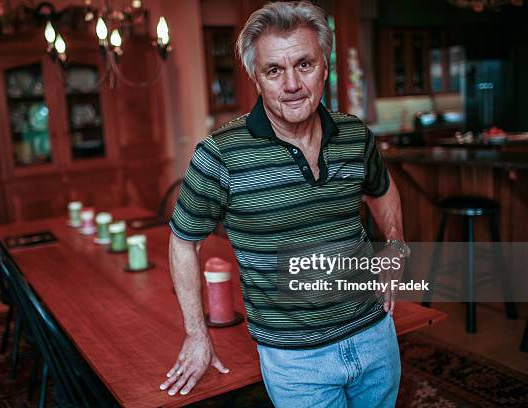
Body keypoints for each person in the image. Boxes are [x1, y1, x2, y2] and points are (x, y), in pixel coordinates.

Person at [160, 1, 408, 406]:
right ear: (256, 78)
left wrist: (395, 243)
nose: (291, 84)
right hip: (296, 361)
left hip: (375, 335)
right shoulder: (220, 154)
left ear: (324, 67)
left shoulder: (354, 135)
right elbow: (184, 241)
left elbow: (381, 189)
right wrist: (196, 333)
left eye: (304, 65)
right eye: (274, 70)